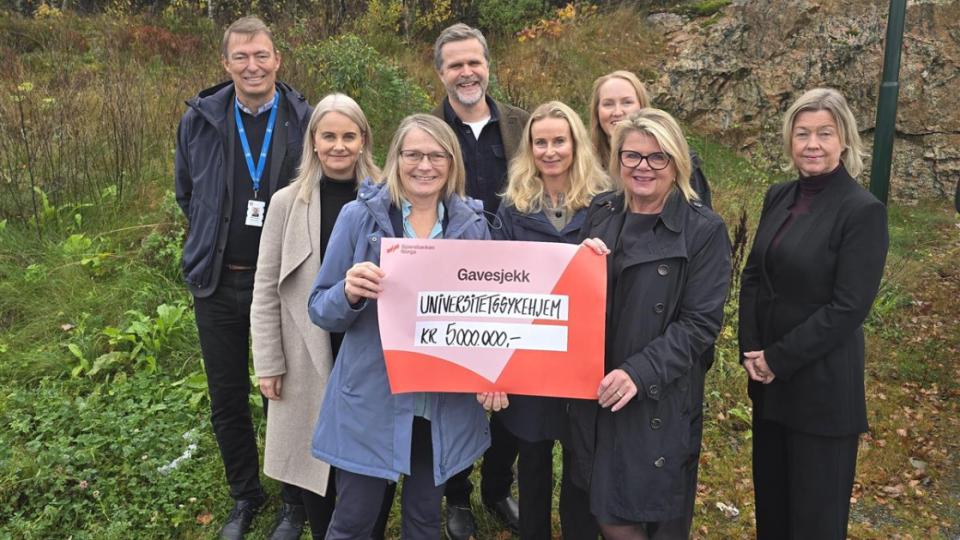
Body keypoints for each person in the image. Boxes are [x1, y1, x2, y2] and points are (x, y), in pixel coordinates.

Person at [307, 114, 492, 540]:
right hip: (374, 398)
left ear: (452, 162)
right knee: (353, 519)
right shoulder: (358, 217)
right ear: (396, 158)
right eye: (413, 154)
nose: (424, 165)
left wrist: (493, 374)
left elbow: (488, 319)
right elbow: (319, 309)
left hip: (439, 403)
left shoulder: (474, 227)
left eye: (437, 155)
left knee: (424, 519)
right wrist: (349, 292)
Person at [174, 16, 313, 540]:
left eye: (261, 55)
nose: (252, 66)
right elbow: (187, 192)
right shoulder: (200, 120)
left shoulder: (303, 119)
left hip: (283, 285)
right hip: (218, 281)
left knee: (285, 394)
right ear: (226, 63)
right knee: (227, 396)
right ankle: (245, 495)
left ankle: (294, 501)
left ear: (277, 59)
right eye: (241, 57)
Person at [572, 108, 731, 540]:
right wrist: (580, 265)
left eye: (657, 157)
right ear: (617, 159)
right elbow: (578, 298)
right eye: (632, 156)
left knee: (645, 512)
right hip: (599, 385)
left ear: (676, 162)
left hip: (656, 390)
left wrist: (638, 373)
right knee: (602, 501)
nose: (643, 167)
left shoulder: (703, 229)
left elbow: (700, 323)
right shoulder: (603, 210)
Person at [739, 88, 889, 540]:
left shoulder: (862, 210)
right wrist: (751, 350)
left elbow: (848, 307)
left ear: (844, 139)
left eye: (825, 133)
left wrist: (777, 358)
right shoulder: (778, 196)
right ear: (790, 139)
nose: (812, 144)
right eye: (802, 133)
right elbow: (753, 275)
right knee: (773, 514)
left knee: (814, 524)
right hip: (769, 388)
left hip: (822, 391)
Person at [251, 94, 380, 540]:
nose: (339, 146)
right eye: (329, 136)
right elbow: (266, 289)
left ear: (363, 140)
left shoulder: (388, 199)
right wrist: (268, 362)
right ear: (313, 141)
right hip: (306, 354)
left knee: (370, 467)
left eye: (349, 136)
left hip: (368, 354)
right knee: (314, 465)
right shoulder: (286, 203)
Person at [429, 22, 528, 538]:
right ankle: (457, 495)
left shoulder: (522, 124)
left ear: (488, 66)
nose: (466, 72)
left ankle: (497, 485)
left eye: (474, 62)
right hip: (453, 280)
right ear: (440, 73)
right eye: (455, 65)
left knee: (511, 386)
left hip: (516, 278)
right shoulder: (426, 130)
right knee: (456, 393)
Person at [493, 101, 607, 540]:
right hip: (531, 355)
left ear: (576, 144)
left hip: (584, 356)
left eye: (559, 140)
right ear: (529, 148)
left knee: (582, 461)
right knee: (533, 456)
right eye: (540, 142)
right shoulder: (512, 207)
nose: (550, 151)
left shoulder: (606, 203)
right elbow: (497, 284)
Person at [589, 70, 712, 208]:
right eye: (608, 104)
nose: (617, 112)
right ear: (597, 112)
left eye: (627, 102)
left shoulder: (680, 160)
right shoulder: (586, 165)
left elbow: (700, 216)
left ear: (642, 107)